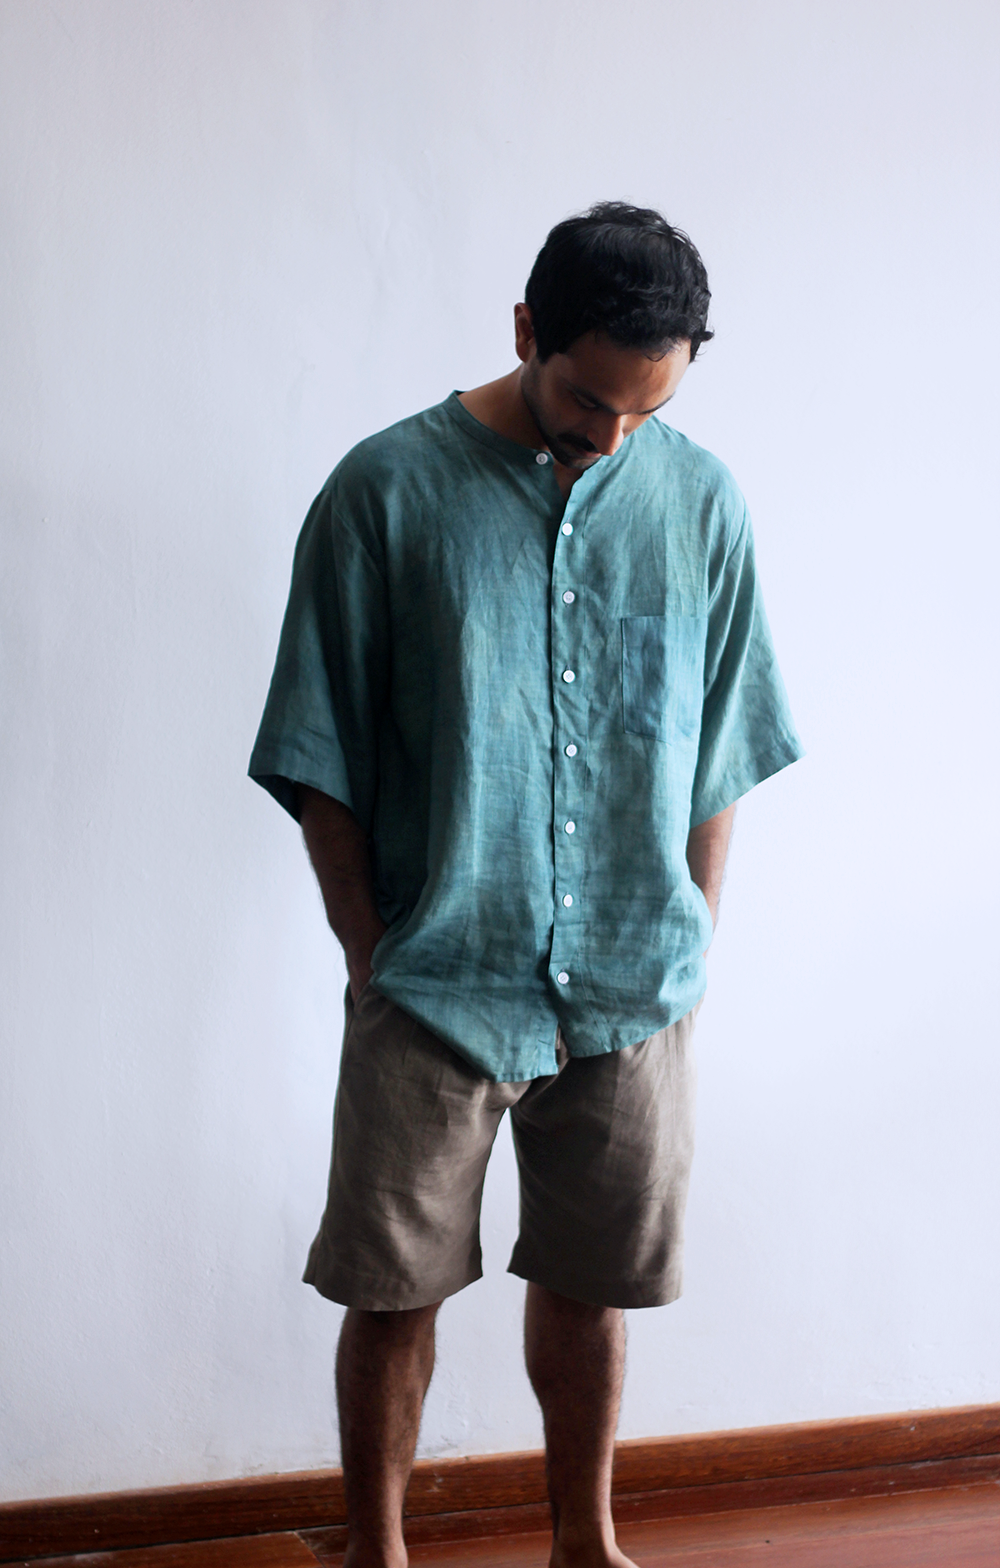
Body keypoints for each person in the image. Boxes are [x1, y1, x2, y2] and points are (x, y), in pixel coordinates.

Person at [249, 202, 802, 1568]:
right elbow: (320, 750)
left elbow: (721, 748)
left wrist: (695, 933)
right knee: (393, 1293)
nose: (613, 435)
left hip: (632, 981)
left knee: (592, 1284)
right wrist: (368, 952)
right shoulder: (384, 493)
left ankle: (584, 1543)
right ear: (524, 332)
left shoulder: (702, 502)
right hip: (435, 979)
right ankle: (377, 1551)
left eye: (647, 407)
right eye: (587, 399)